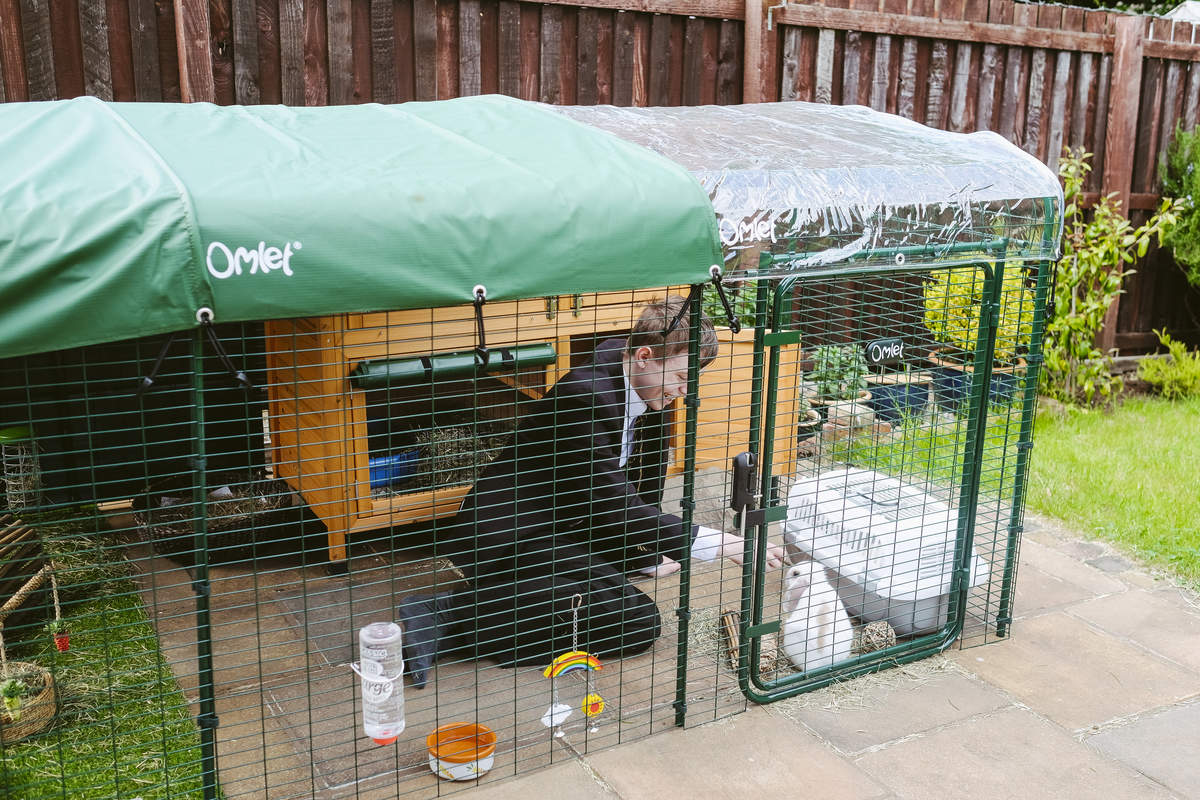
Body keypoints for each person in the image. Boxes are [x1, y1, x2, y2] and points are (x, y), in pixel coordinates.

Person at [398, 295, 785, 687]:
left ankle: (488, 608)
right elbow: (616, 505)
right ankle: (449, 613)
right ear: (645, 356)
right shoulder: (585, 396)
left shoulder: (644, 379)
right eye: (682, 378)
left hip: (566, 523)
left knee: (630, 619)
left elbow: (639, 485)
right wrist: (719, 543)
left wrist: (647, 551)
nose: (683, 391)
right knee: (637, 622)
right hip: (511, 533)